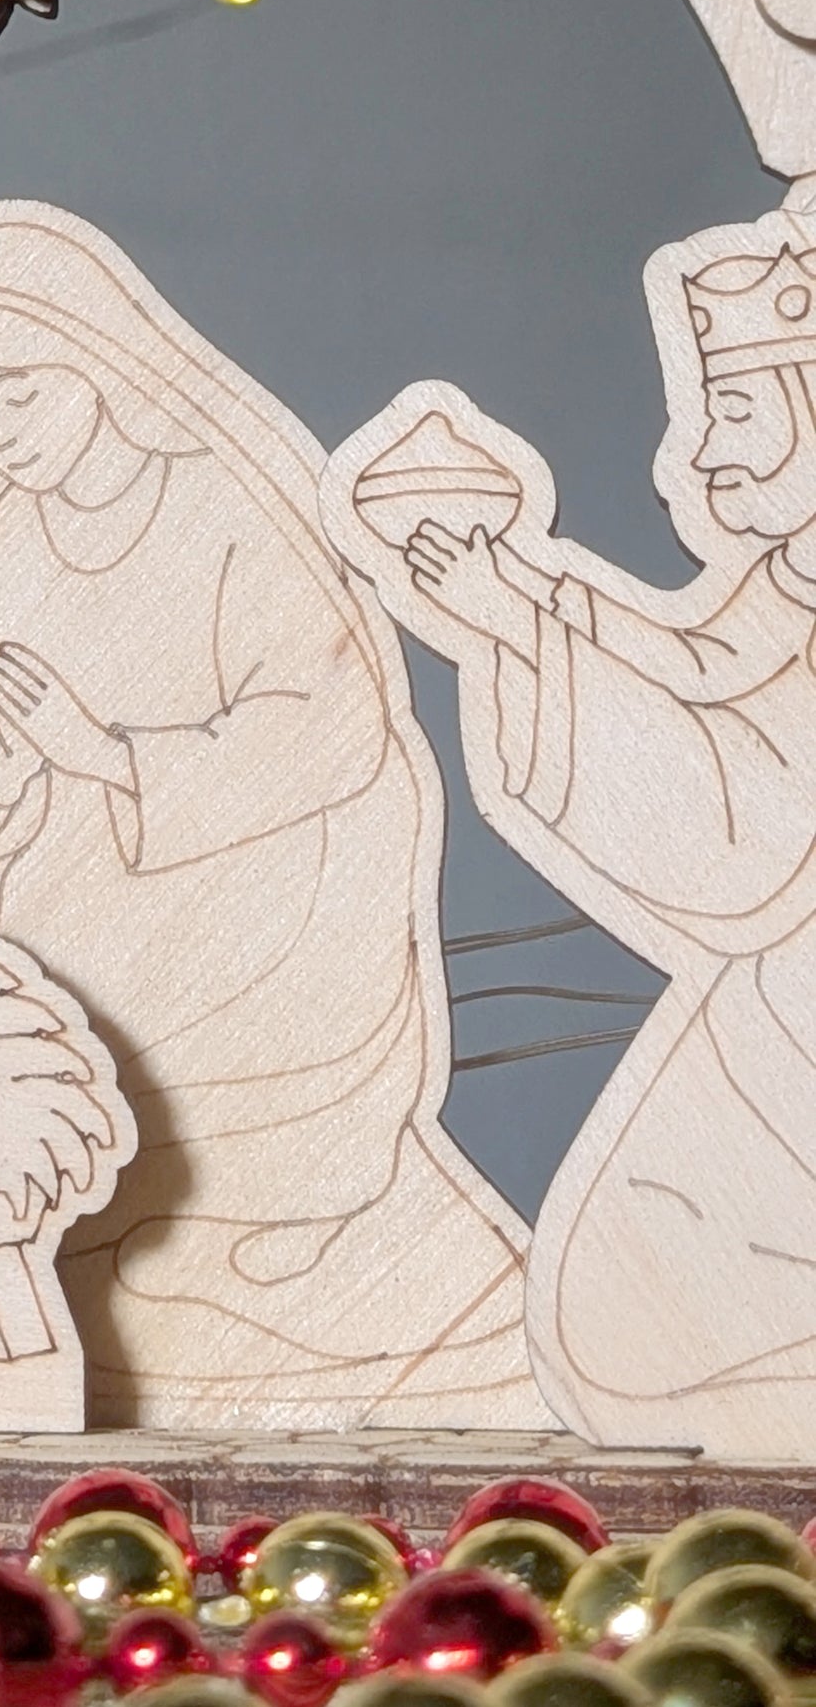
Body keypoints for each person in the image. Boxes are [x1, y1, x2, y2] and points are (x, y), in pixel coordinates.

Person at [0, 207, 549, 1430]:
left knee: (217, 965)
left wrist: (115, 756)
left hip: (264, 855)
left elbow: (327, 723)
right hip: (89, 867)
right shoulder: (3, 544)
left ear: (94, 365)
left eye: (16, 395)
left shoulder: (224, 508)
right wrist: (7, 766)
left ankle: (283, 1194)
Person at [396, 232, 816, 1454]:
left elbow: (755, 800)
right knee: (639, 1302)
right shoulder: (786, 573)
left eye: (738, 405)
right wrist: (527, 607)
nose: (704, 453)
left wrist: (522, 623)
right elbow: (703, 663)